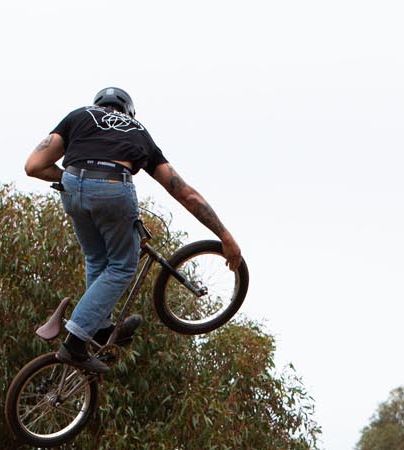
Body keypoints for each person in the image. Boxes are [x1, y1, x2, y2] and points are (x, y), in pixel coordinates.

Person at [25, 86, 243, 372]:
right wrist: (225, 236)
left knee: (97, 259)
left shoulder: (78, 117)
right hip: (114, 188)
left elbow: (34, 166)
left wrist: (79, 182)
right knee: (122, 267)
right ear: (129, 111)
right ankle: (76, 342)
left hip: (73, 188)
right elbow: (184, 193)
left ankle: (100, 327)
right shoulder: (138, 131)